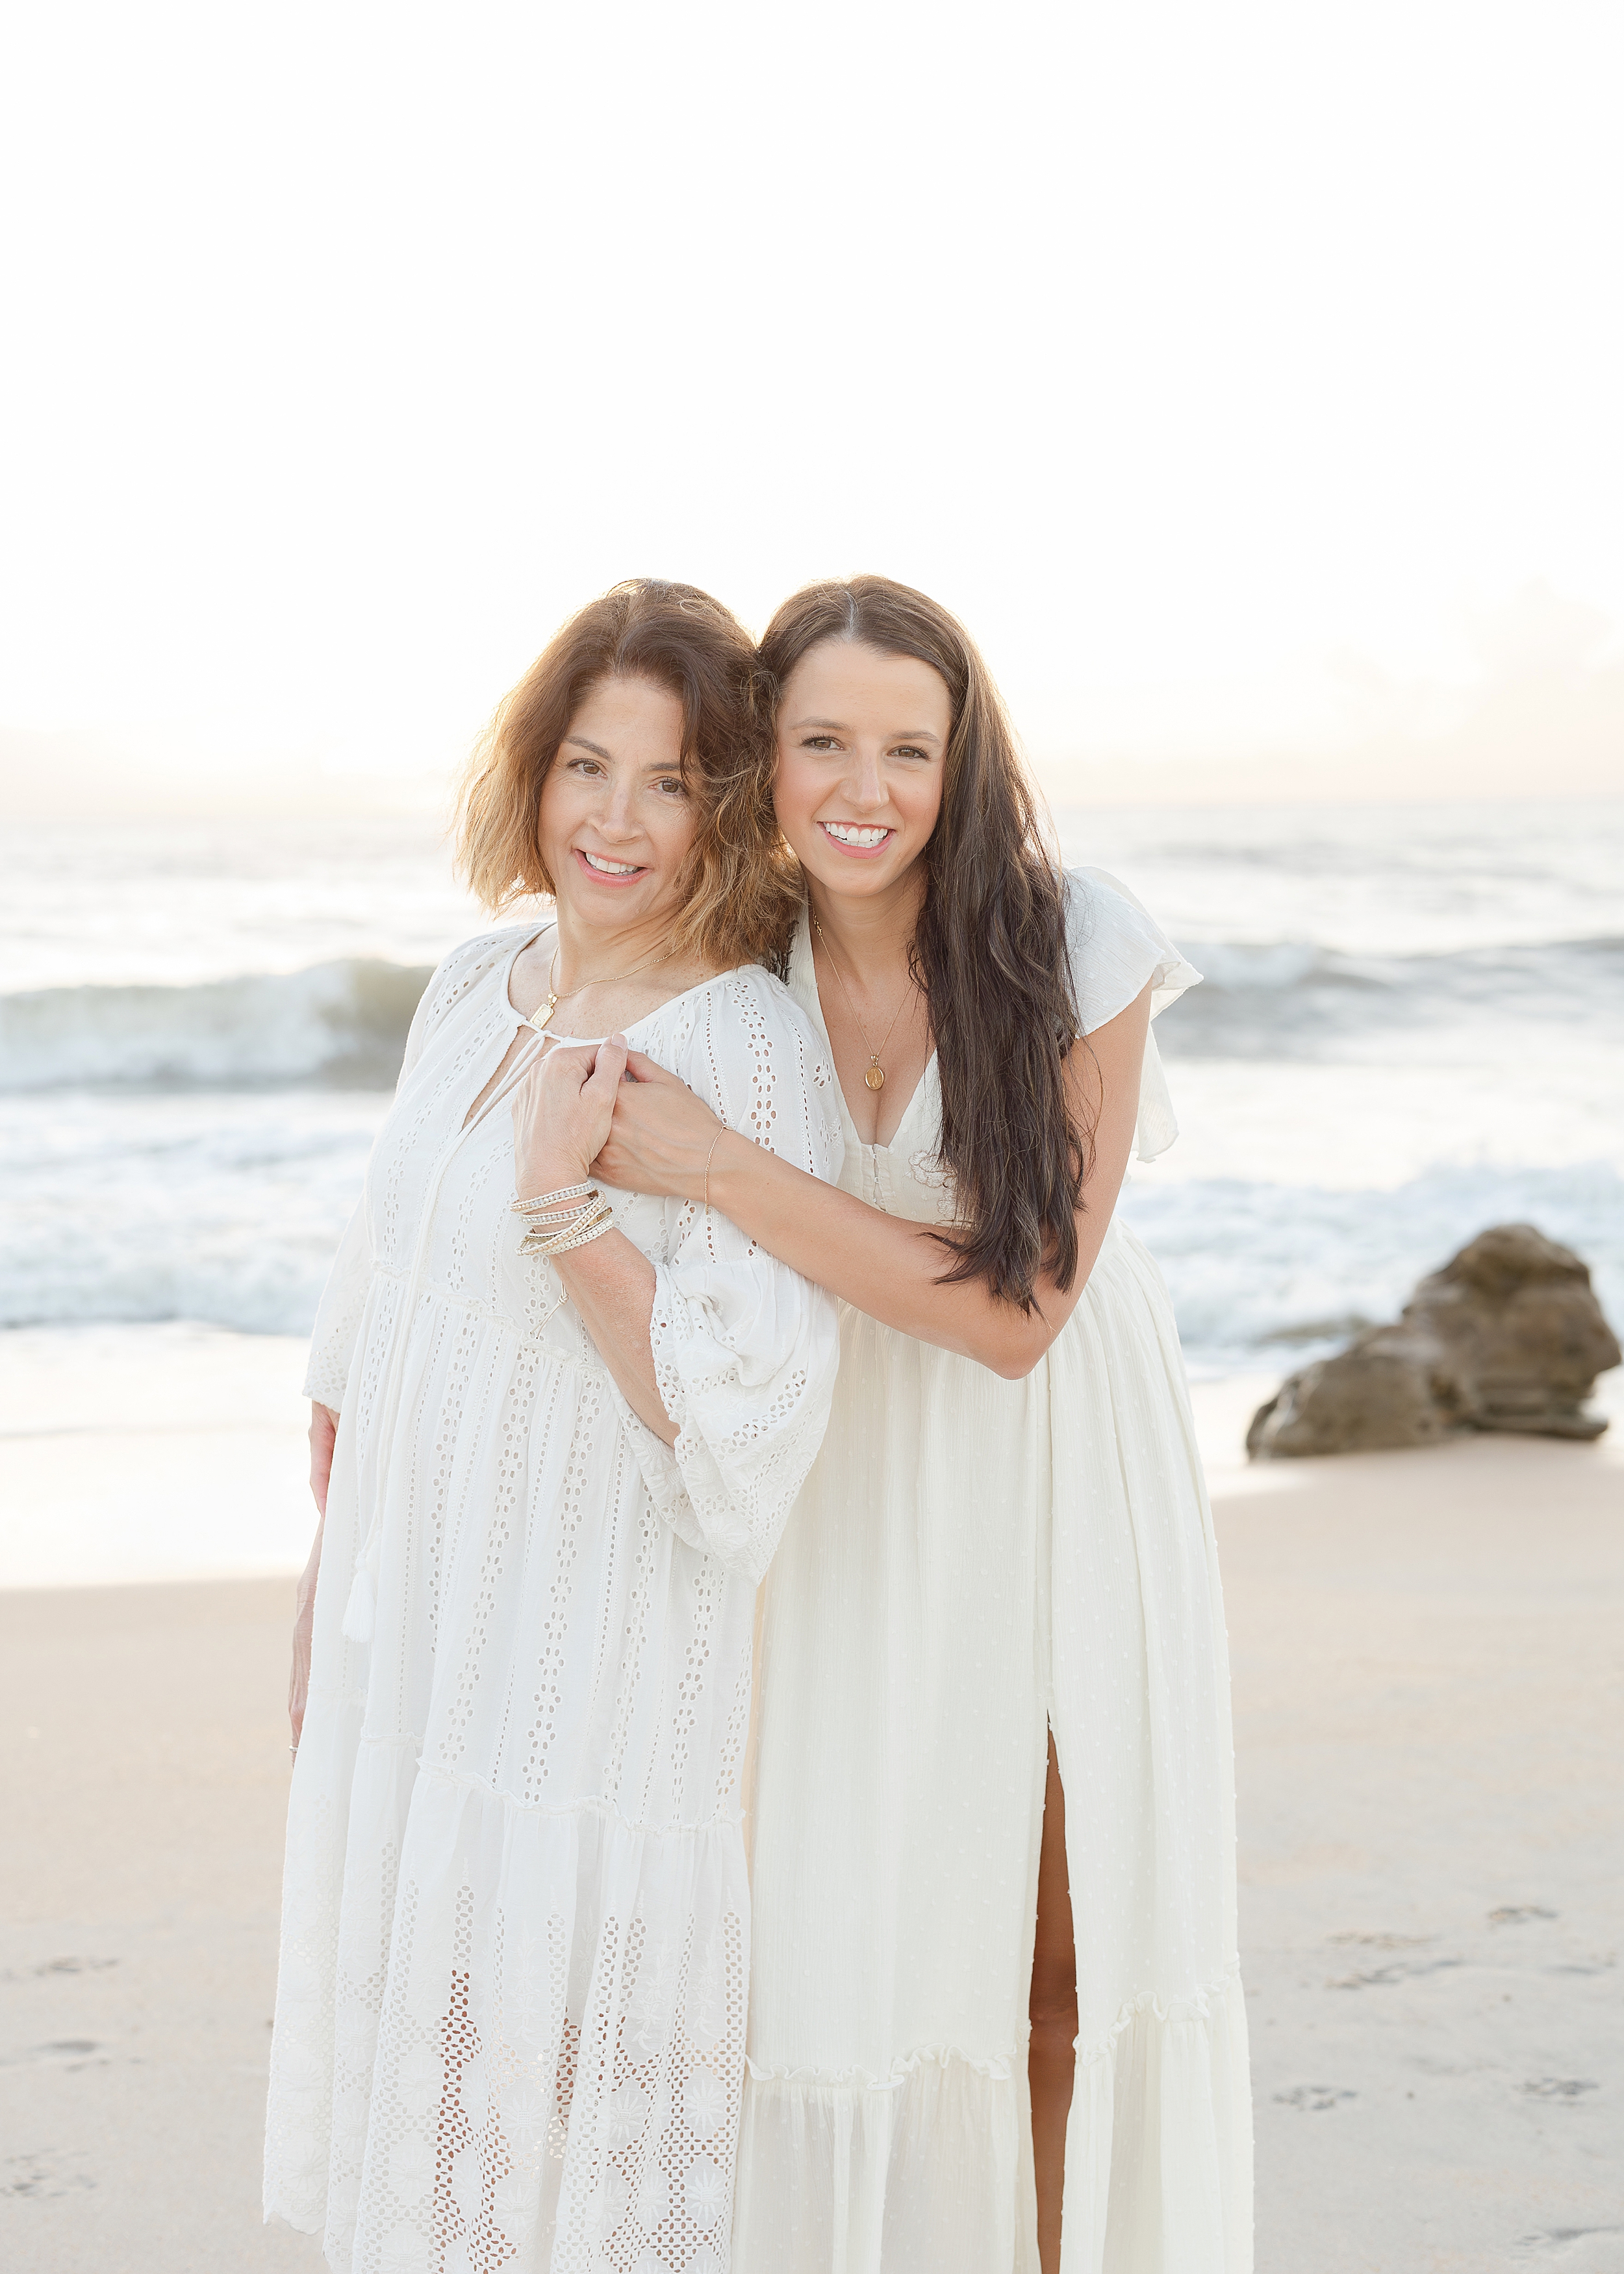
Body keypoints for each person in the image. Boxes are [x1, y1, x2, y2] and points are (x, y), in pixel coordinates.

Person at [596, 577, 1252, 2273]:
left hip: (1051, 1475)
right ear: (765, 755)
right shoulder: (735, 965)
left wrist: (726, 1168)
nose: (864, 786)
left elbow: (1017, 1317)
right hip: (841, 1476)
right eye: (821, 740)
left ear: (963, 766)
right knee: (843, 1941)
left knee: (1058, 1949)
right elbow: (535, 1070)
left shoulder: (1070, 941)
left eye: (909, 745)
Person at [264, 580, 843, 2272]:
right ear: (532, 768)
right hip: (417, 1627)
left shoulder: (737, 1045)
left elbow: (740, 1437)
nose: (614, 816)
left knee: (541, 2115)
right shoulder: (472, 983)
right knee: (429, 2109)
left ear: (723, 805)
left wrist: (563, 1212)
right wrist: (327, 1596)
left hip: (579, 1656)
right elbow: (374, 1326)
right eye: (587, 764)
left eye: (666, 781)